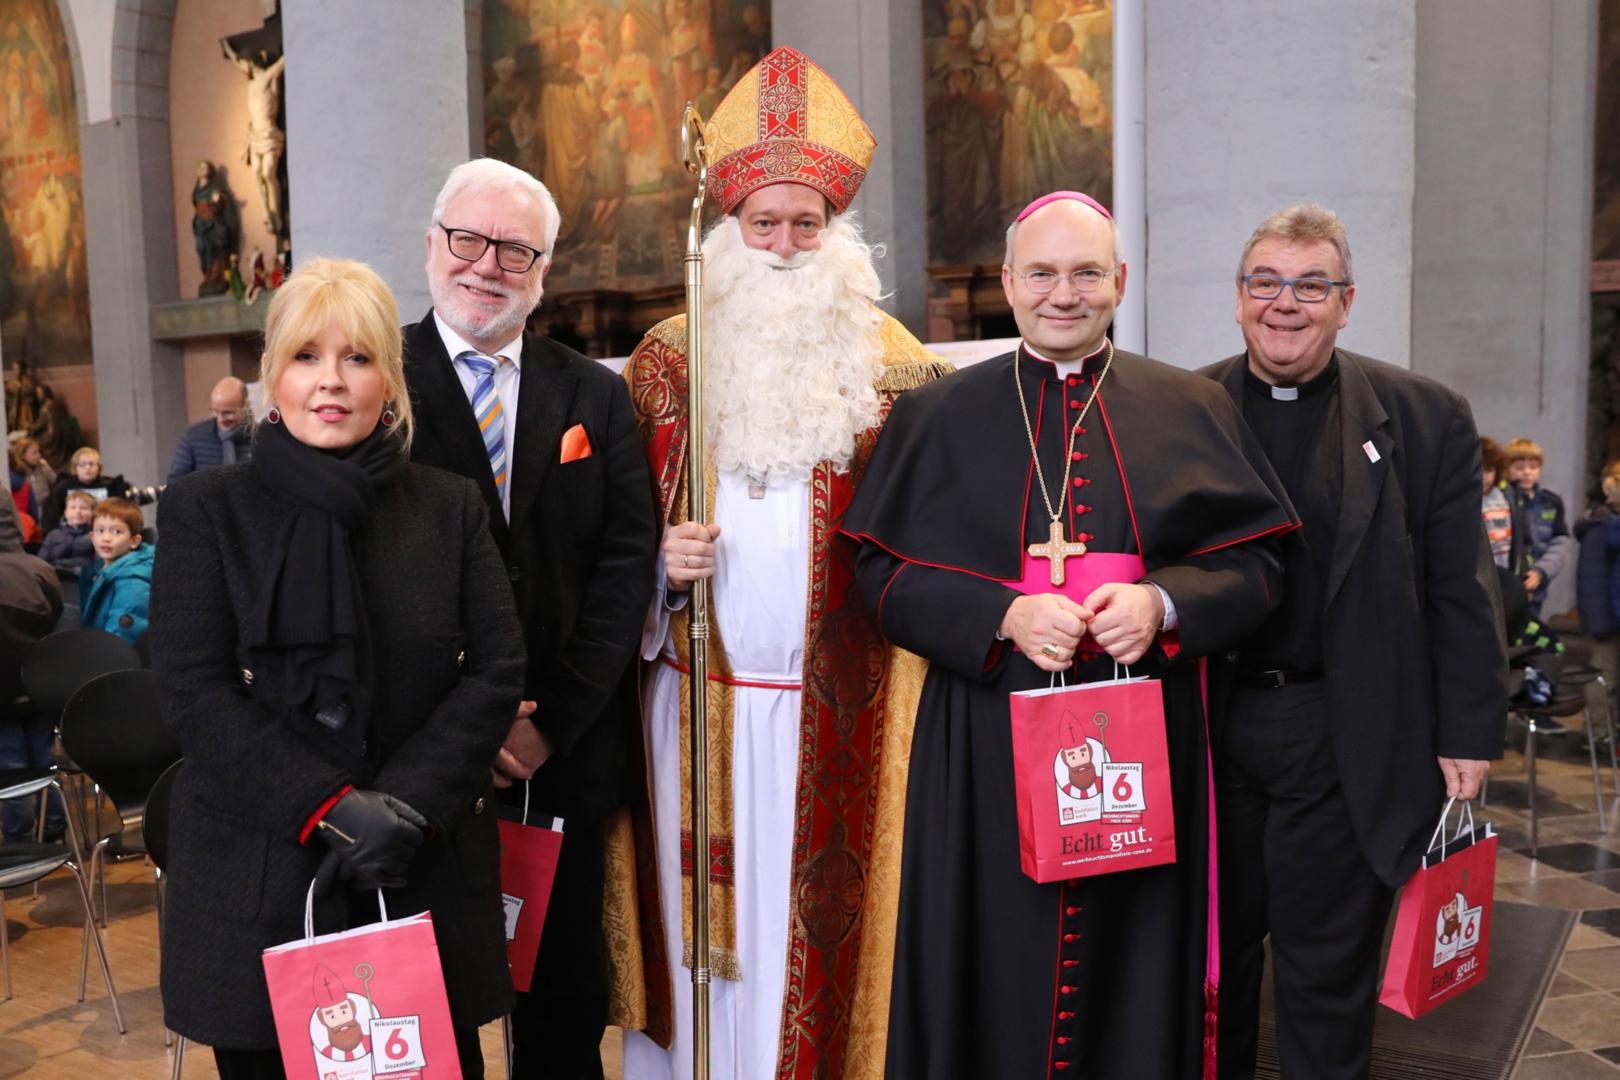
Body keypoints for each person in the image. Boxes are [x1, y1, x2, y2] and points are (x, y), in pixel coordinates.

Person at [843, 191, 1297, 1079]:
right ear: (1008, 284)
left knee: (1135, 955)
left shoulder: (1191, 407)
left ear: (1119, 281)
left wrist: (1164, 605)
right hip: (983, 737)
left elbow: (1261, 569)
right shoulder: (939, 415)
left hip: (1145, 733)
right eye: (1043, 273)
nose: (1065, 293)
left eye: (1087, 273)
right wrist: (999, 614)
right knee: (986, 951)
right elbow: (878, 577)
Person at [617, 46, 951, 1080]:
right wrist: (652, 568)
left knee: (816, 943)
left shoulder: (904, 375)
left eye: (807, 224)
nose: (784, 244)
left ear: (837, 233)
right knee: (703, 950)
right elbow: (603, 541)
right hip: (694, 713)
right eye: (763, 222)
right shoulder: (666, 362)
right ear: (727, 229)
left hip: (839, 721)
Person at [152, 257, 526, 1079]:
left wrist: (406, 806)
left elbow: (497, 668)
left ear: (388, 383)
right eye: (306, 357)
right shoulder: (206, 511)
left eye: (357, 358)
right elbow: (193, 689)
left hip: (419, 865)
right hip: (260, 881)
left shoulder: (449, 505)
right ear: (272, 378)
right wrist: (326, 806)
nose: (331, 381)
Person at [1201, 203, 1505, 1080]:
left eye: (1310, 286)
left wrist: (1468, 735)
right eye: (1266, 283)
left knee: (1325, 972)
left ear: (1346, 301)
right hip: (1211, 731)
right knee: (1209, 969)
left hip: (1346, 730)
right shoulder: (1184, 407)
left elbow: (1460, 589)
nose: (1285, 304)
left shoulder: (1423, 417)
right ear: (1239, 298)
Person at [402, 158, 658, 1080]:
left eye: (516, 249)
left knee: (561, 1004)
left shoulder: (594, 393)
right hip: (418, 756)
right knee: (430, 1006)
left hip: (562, 752)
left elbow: (625, 568)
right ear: (432, 246)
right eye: (467, 240)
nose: (487, 265)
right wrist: (474, 720)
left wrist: (548, 717)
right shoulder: (375, 381)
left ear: (543, 270)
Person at [0, 492, 65, 844]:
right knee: (45, 762)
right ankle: (54, 828)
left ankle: (20, 840)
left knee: (10, 769)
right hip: (40, 685)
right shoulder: (38, 568)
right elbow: (54, 615)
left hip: (2, 696)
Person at [1575, 461, 1620, 742]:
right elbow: (1590, 579)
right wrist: (1598, 620)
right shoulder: (1600, 523)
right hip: (1605, 616)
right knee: (1605, 676)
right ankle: (1600, 733)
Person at [1502, 437, 1572, 614]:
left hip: (1536, 584)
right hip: (1505, 585)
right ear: (1506, 470)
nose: (1527, 472)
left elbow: (1560, 541)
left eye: (1533, 467)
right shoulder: (1502, 500)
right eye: (1519, 467)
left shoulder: (1551, 501)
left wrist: (1541, 572)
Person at [80, 497, 153, 646]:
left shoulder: (132, 582)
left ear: (134, 541)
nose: (106, 538)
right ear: (92, 536)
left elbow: (120, 640)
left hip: (113, 659)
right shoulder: (102, 570)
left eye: (116, 531)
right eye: (100, 530)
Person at [167, 376, 255, 482]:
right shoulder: (194, 436)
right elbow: (174, 482)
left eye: (228, 413)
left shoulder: (260, 437)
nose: (220, 419)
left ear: (246, 405)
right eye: (215, 411)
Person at [39, 446, 133, 531]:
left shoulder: (111, 485)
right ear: (75, 468)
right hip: (71, 533)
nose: (87, 468)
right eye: (82, 464)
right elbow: (51, 517)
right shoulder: (63, 487)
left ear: (99, 468)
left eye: (91, 464)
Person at [38, 488, 96, 572]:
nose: (78, 511)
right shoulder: (53, 535)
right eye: (73, 507)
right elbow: (41, 561)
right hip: (55, 575)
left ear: (92, 512)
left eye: (83, 508)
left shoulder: (95, 536)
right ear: (65, 512)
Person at [13, 435, 56, 509]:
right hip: (29, 509)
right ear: (23, 455)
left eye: (38, 452)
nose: (38, 456)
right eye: (34, 453)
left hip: (46, 507)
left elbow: (55, 481)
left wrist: (47, 468)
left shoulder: (42, 467)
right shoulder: (18, 472)